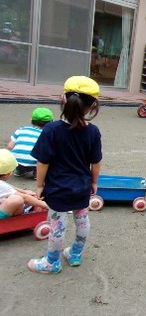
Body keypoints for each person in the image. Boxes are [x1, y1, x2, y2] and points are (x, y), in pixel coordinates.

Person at [27, 76, 102, 274]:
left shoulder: (51, 129)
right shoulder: (93, 132)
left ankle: (52, 262)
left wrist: (40, 185)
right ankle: (75, 253)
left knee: (58, 225)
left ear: (63, 99)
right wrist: (94, 182)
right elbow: (95, 162)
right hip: (81, 187)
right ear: (92, 106)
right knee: (82, 220)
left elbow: (43, 161)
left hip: (57, 189)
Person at [0, 149, 48, 219]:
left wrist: (24, 191)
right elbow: (25, 198)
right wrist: (46, 205)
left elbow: (6, 187)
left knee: (8, 197)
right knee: (17, 199)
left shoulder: (2, 185)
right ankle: (18, 219)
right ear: (8, 174)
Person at [7, 107, 54, 179]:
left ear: (31, 121)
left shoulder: (21, 129)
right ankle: (37, 172)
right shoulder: (46, 134)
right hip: (35, 161)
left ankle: (19, 170)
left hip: (16, 160)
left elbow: (10, 146)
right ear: (51, 122)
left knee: (20, 157)